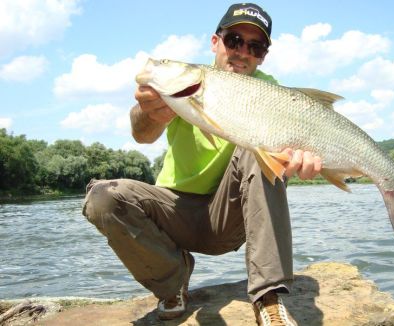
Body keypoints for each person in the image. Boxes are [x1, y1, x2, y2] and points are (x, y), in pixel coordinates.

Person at [82, 3, 322, 325]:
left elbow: (285, 155)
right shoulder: (188, 82)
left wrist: (305, 161)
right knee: (102, 196)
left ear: (263, 54)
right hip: (174, 215)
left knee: (259, 148)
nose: (242, 52)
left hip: (228, 218)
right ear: (215, 42)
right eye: (234, 40)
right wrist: (150, 110)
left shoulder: (269, 90)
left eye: (255, 46)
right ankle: (172, 284)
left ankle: (268, 298)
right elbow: (142, 135)